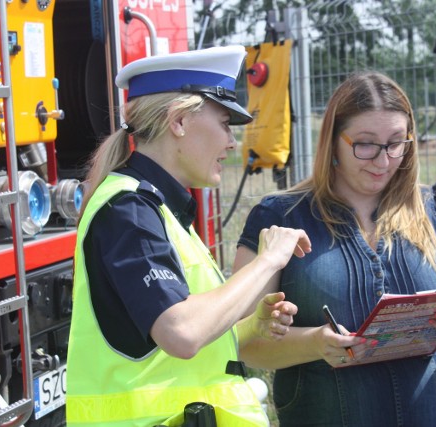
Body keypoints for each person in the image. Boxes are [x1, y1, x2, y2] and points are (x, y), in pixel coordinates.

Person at [233, 71, 436, 426]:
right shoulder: (279, 218)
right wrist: (315, 343)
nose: (383, 161)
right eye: (365, 144)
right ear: (332, 141)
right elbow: (241, 339)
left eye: (396, 143)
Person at [65, 45, 311, 427]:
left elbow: (160, 347)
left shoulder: (157, 208)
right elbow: (182, 333)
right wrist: (268, 260)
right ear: (179, 121)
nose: (231, 142)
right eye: (224, 123)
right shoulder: (130, 210)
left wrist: (248, 328)